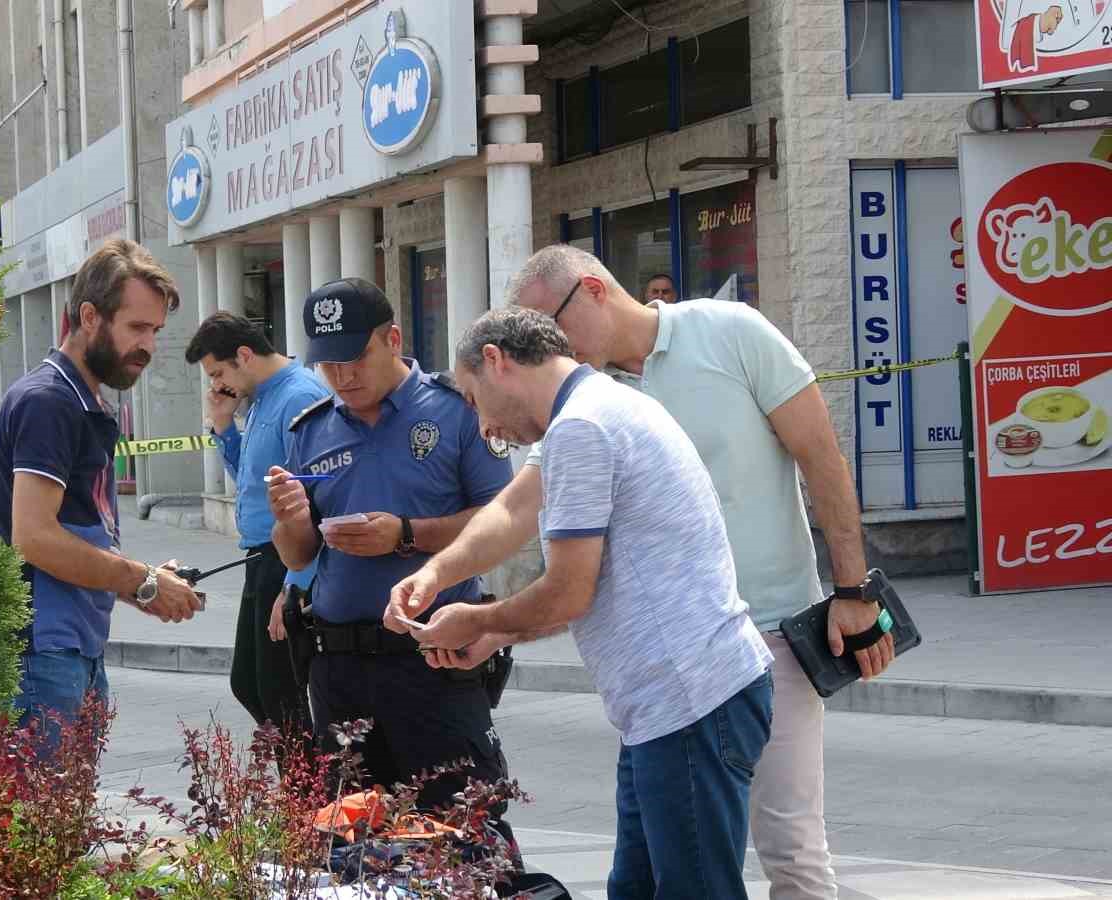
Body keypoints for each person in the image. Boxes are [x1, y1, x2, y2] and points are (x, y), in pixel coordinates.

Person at [507, 245, 894, 900]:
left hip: (772, 636)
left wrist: (853, 591)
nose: (553, 350)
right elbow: (521, 503)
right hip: (667, 666)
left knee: (792, 848)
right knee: (662, 861)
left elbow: (822, 459)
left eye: (555, 329)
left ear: (595, 291)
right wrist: (426, 555)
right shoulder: (585, 395)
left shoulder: (729, 332)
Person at [387, 307, 774, 900]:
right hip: (672, 701)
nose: (482, 423)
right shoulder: (598, 403)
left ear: (496, 361)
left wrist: (479, 620)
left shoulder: (581, 427)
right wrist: (439, 575)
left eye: (472, 398)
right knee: (636, 889)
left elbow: (569, 592)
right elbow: (513, 509)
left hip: (688, 698)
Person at [263, 278, 516, 833]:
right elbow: (300, 554)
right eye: (328, 364)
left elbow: (502, 519)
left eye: (355, 358)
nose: (342, 377)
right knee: (349, 838)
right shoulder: (311, 428)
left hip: (432, 659)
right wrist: (291, 520)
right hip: (339, 666)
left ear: (393, 339)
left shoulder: (454, 411)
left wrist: (405, 534)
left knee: (466, 831)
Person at [0, 239, 202, 753]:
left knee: (64, 826)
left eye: (156, 331)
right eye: (137, 328)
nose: (148, 345)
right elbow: (34, 539)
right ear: (88, 316)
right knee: (43, 828)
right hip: (42, 655)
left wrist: (145, 588)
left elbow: (76, 532)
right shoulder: (49, 403)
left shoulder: (79, 401)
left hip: (70, 650)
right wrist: (143, 580)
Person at [186, 311, 328, 737]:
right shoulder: (263, 397)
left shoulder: (299, 396)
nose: (216, 384)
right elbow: (249, 479)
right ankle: (303, 790)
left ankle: (310, 795)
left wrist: (295, 581)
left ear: (244, 355)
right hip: (259, 556)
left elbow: (320, 500)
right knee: (248, 683)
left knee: (279, 693)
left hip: (286, 556)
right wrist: (225, 426)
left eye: (218, 372)